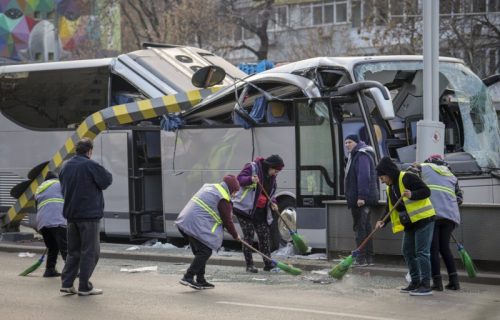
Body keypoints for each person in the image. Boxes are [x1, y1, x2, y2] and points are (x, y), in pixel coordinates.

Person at [375, 156, 436, 296]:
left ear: (388, 173)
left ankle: (425, 284)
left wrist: (412, 194)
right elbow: (390, 208)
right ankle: (415, 282)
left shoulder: (407, 177)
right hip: (410, 223)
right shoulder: (391, 188)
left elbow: (426, 191)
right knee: (407, 251)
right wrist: (382, 221)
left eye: (382, 177)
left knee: (421, 252)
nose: (381, 180)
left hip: (424, 219)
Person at [59, 138, 113, 296]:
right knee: (90, 251)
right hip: (89, 215)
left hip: (71, 215)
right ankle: (84, 286)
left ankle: (67, 283)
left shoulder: (65, 165)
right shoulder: (90, 164)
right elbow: (106, 180)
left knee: (73, 251)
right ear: (89, 151)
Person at [175, 175, 241, 290]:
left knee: (201, 251)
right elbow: (227, 221)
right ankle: (188, 276)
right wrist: (236, 235)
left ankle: (201, 280)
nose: (234, 195)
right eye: (235, 192)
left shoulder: (211, 187)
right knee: (205, 251)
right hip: (195, 224)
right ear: (231, 189)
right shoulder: (223, 198)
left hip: (185, 222)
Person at [408, 154, 463, 291]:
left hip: (433, 214)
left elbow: (408, 177)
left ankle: (437, 282)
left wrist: (413, 166)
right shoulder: (451, 175)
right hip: (450, 216)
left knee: (433, 249)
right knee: (444, 248)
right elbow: (459, 199)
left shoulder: (423, 167)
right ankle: (454, 281)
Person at [232, 155, 284, 273]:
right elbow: (239, 180)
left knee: (264, 235)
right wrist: (250, 179)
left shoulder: (272, 177)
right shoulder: (252, 167)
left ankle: (268, 264)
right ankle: (250, 265)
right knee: (249, 235)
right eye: (275, 171)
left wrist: (273, 203)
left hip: (260, 210)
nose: (276, 173)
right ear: (270, 166)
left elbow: (270, 193)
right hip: (245, 210)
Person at [344, 135, 379, 266]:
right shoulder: (358, 154)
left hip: (361, 200)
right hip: (363, 198)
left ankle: (361, 258)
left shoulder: (361, 155)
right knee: (365, 227)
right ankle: (368, 258)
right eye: (346, 142)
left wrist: (361, 197)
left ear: (357, 143)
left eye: (350, 142)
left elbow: (364, 176)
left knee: (360, 228)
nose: (347, 145)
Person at [34, 171, 67, 278]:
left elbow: (37, 207)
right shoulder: (59, 184)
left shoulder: (39, 189)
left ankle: (49, 270)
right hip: (57, 219)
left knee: (52, 247)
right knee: (65, 246)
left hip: (42, 222)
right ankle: (72, 271)